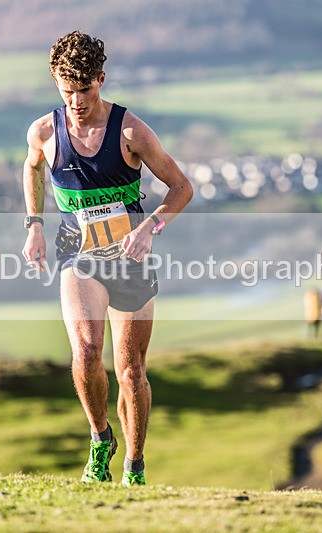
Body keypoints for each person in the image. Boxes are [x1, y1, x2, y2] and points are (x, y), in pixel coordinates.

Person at [21, 31, 193, 486]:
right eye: (67, 91)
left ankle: (134, 466)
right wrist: (34, 224)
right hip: (78, 256)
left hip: (130, 258)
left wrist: (149, 228)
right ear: (56, 83)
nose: (76, 101)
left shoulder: (131, 131)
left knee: (131, 371)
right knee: (86, 352)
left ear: (101, 79)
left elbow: (181, 188)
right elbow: (32, 166)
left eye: (84, 89)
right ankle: (100, 439)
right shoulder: (44, 132)